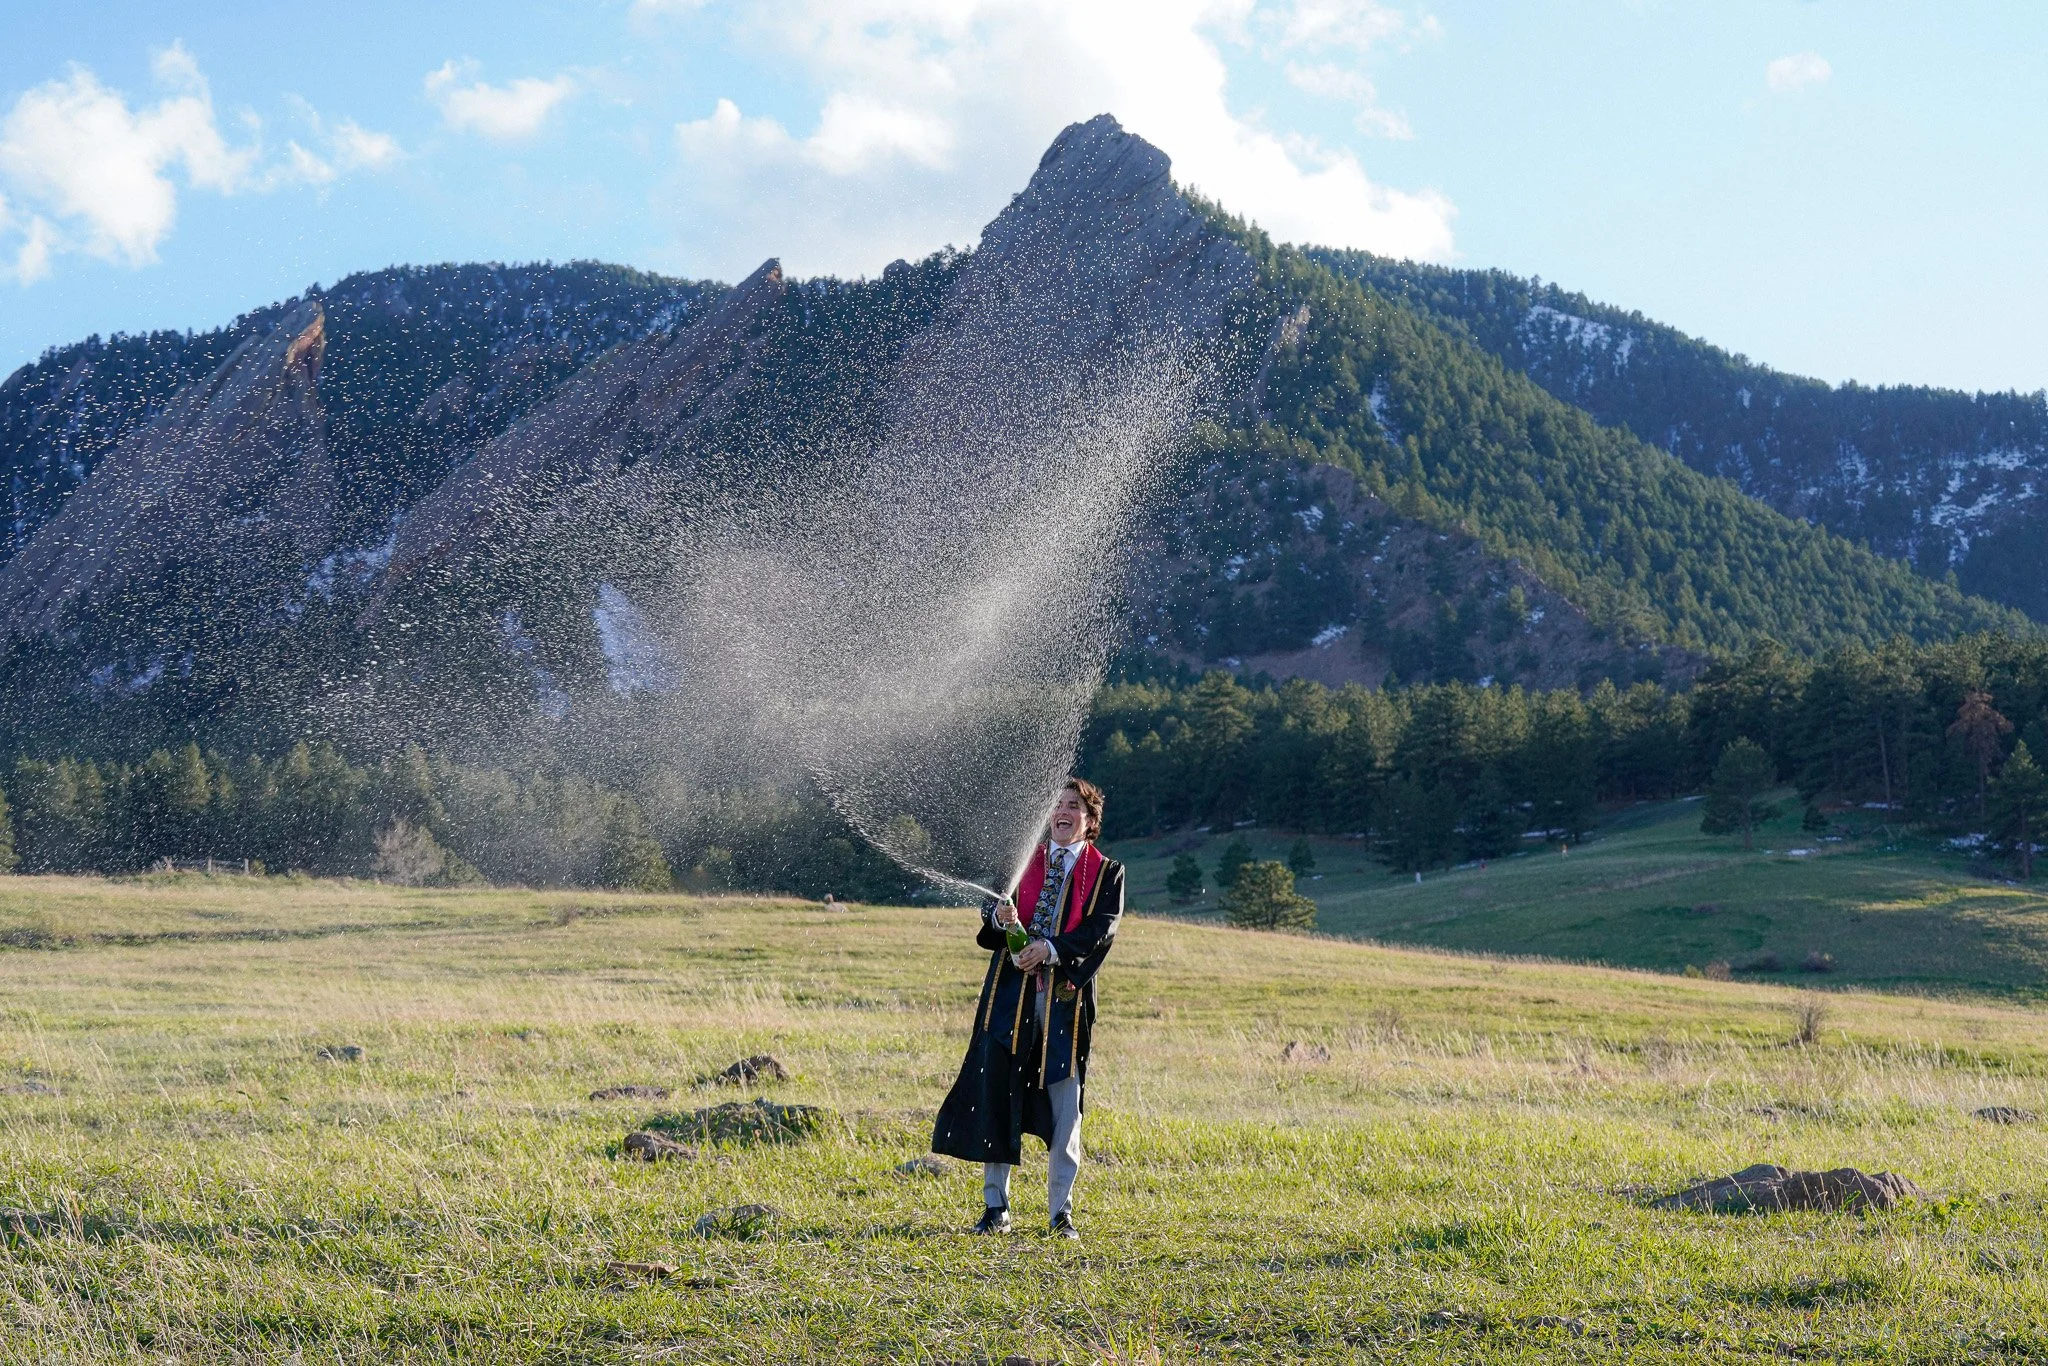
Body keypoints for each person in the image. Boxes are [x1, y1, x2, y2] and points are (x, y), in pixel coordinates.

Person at [931, 777, 1124, 1240]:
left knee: (1065, 1105)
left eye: (1073, 805)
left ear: (1089, 820)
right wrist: (998, 920)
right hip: (1008, 999)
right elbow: (990, 924)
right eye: (1056, 804)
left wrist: (1051, 950)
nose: (1062, 811)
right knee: (998, 1091)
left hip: (1064, 1004)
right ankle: (995, 1208)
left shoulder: (1107, 873)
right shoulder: (1021, 864)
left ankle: (1061, 1213)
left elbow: (1102, 929)